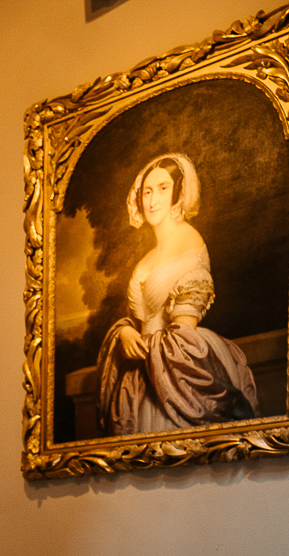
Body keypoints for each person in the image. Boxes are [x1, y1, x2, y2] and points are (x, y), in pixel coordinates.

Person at [95, 152, 258, 437]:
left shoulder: (190, 243)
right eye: (147, 191)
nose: (152, 200)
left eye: (162, 188)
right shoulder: (147, 256)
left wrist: (146, 342)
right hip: (139, 376)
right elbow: (137, 319)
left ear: (177, 193)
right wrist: (124, 333)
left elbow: (184, 336)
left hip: (175, 373)